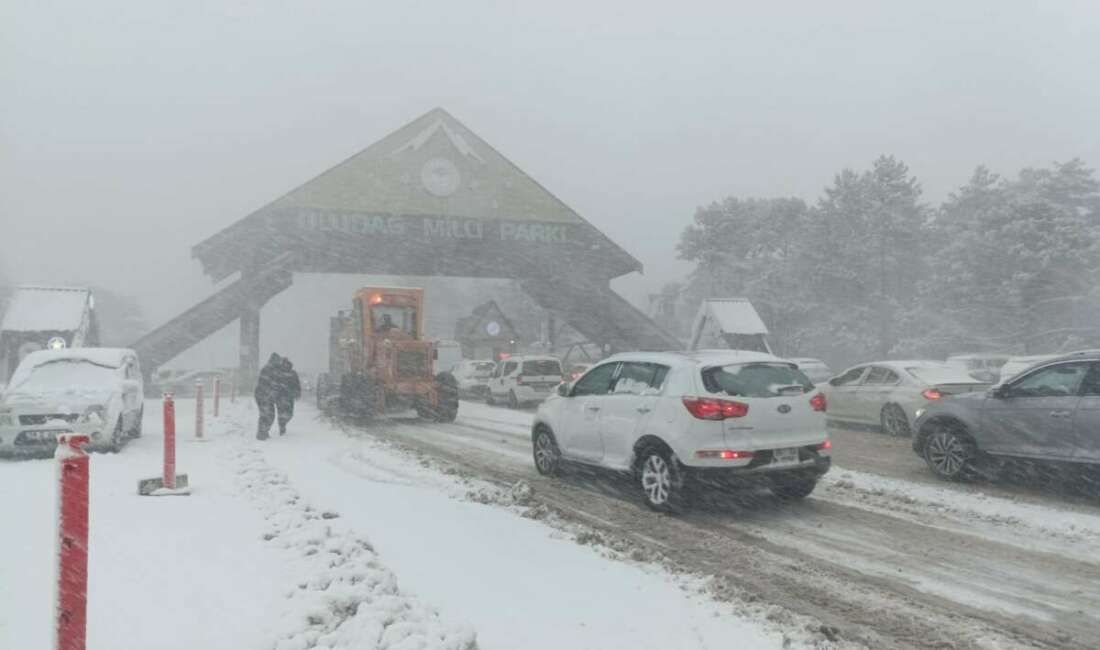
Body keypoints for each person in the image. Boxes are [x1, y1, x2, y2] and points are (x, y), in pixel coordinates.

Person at [254, 353, 282, 440]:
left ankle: (264, 432)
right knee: (266, 414)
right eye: (278, 361)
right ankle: (261, 434)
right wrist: (270, 394)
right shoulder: (268, 369)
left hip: (266, 396)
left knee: (269, 415)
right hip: (263, 396)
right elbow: (266, 384)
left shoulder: (272, 369)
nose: (279, 363)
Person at [274, 356, 301, 435]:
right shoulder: (278, 372)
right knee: (280, 412)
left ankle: (284, 422)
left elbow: (297, 384)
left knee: (290, 413)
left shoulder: (293, 373)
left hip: (289, 397)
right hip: (280, 396)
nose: (285, 365)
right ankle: (282, 426)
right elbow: (274, 383)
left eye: (286, 364)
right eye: (284, 363)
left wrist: (297, 393)